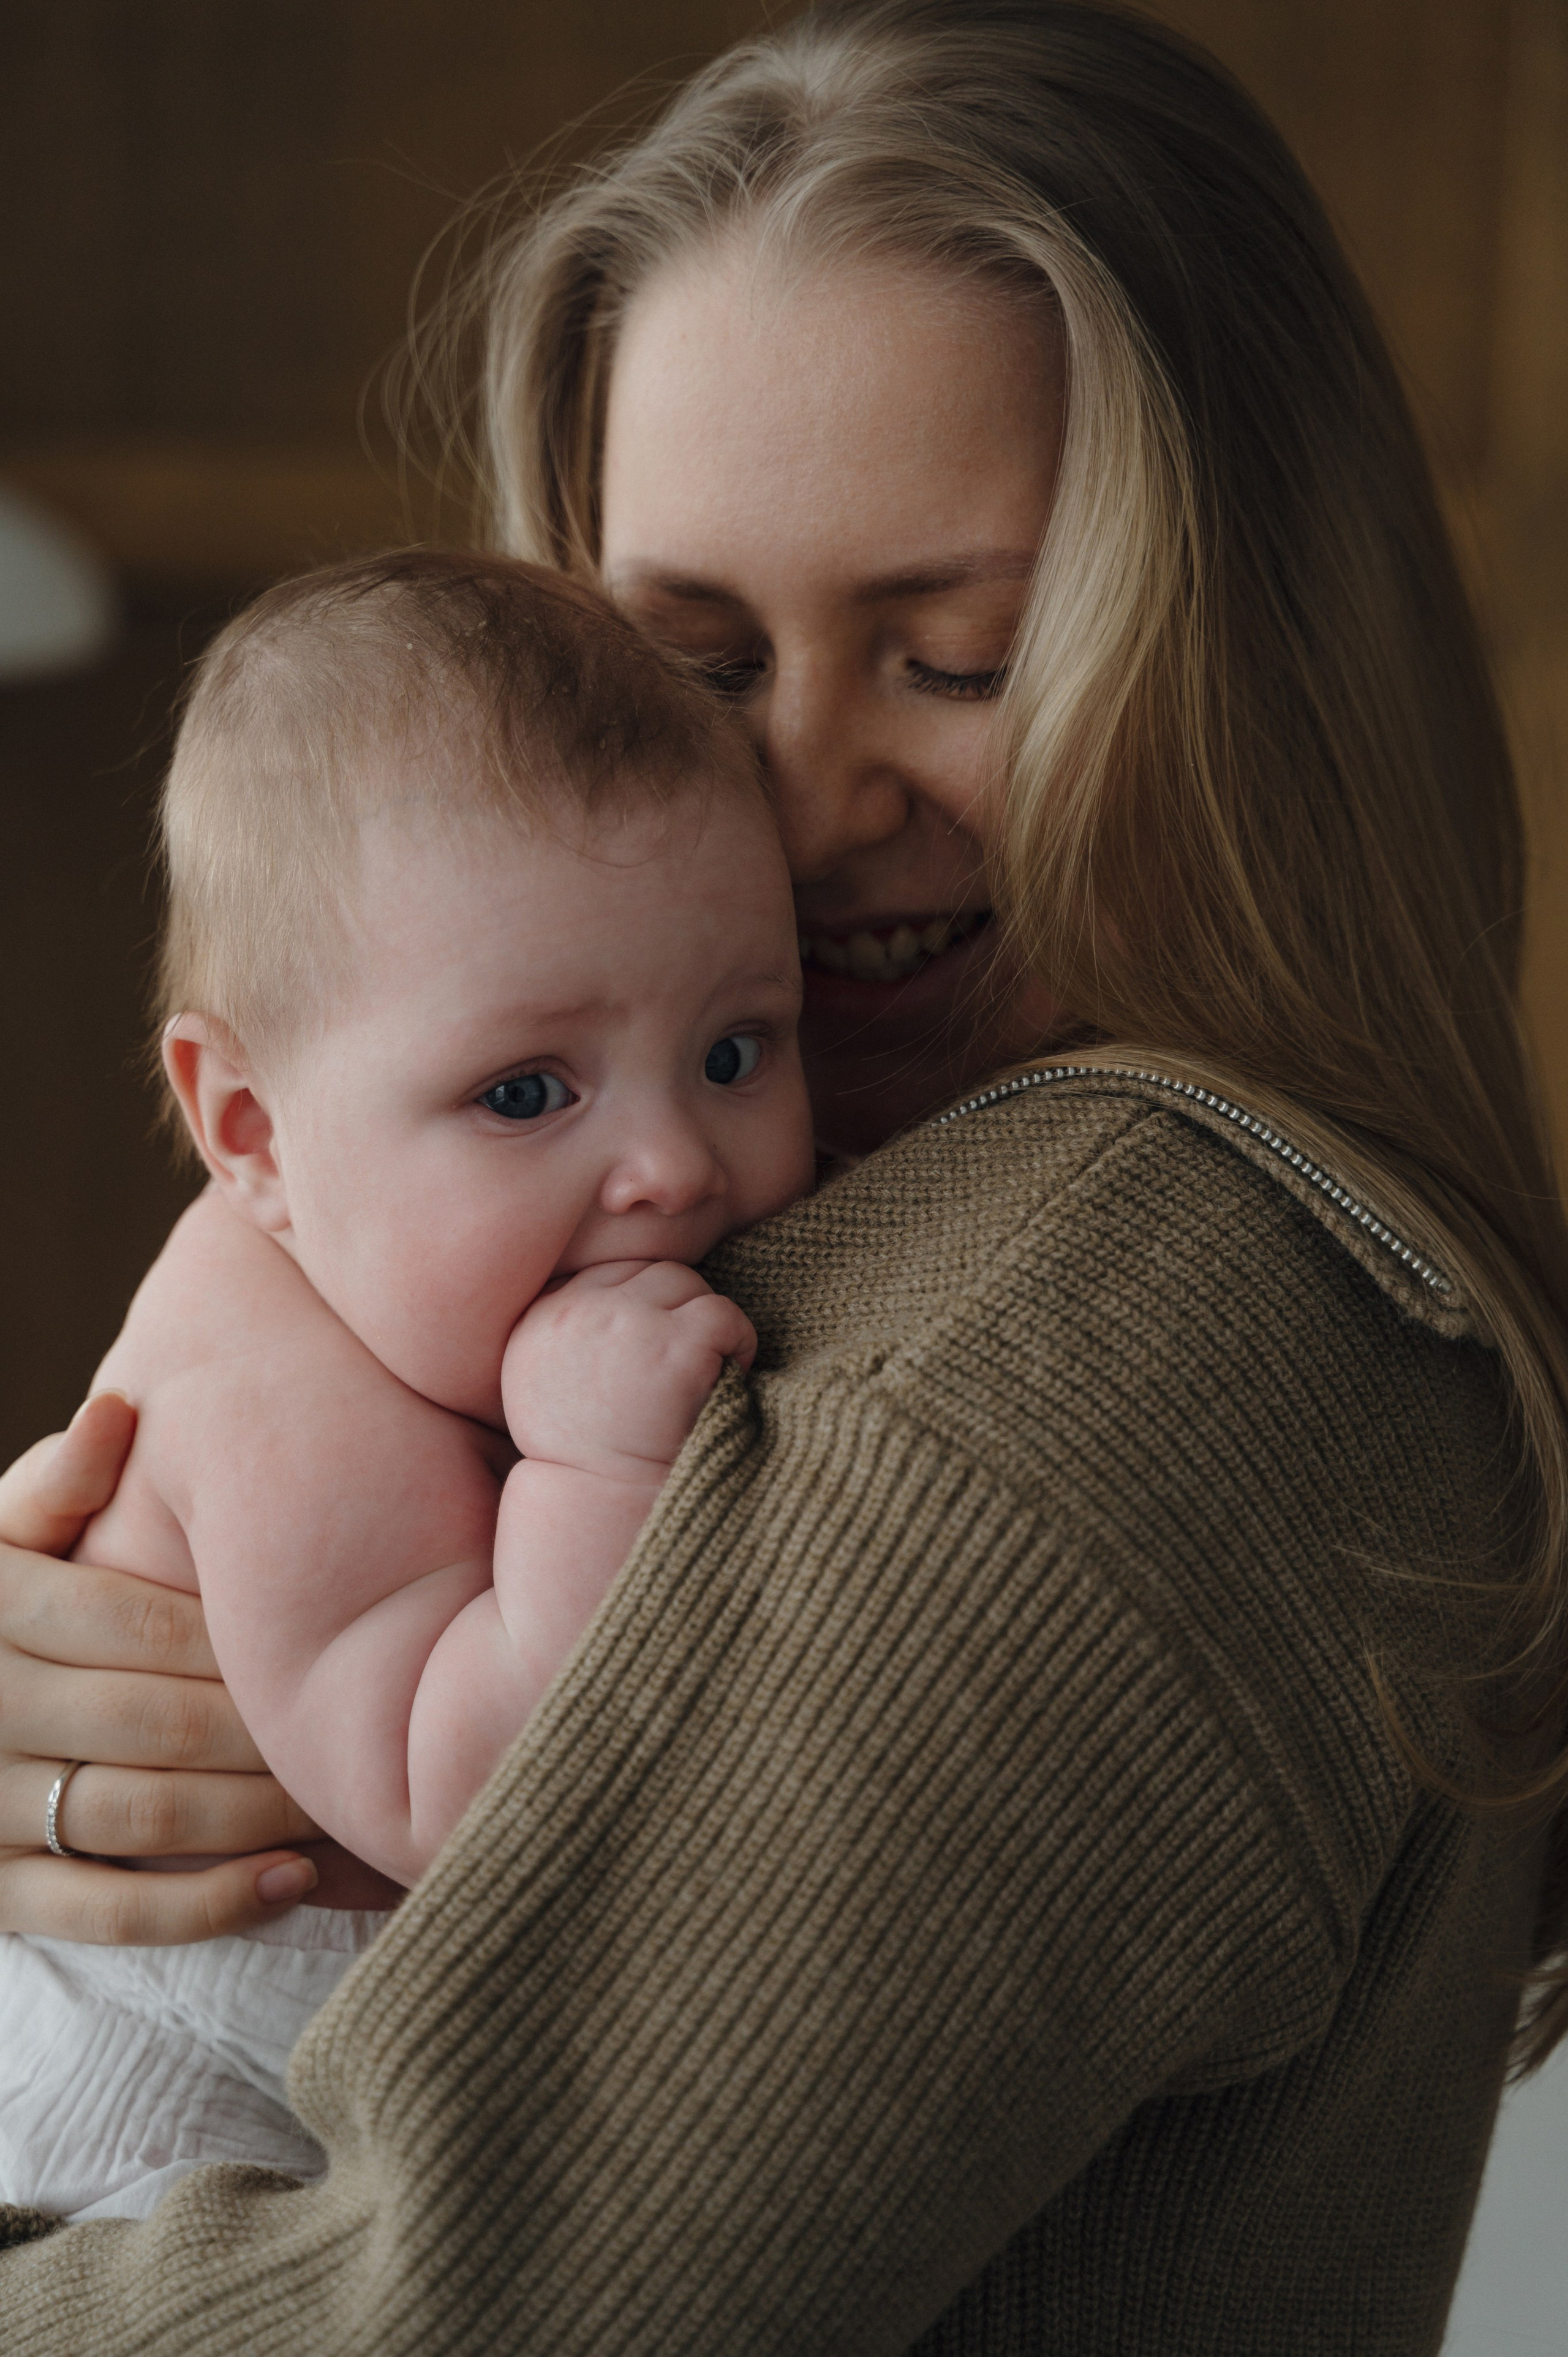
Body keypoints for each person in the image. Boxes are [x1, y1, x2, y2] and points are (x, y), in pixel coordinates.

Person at [2, 1, 1567, 2347]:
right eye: (697, 663)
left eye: (958, 661)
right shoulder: (764, 1215)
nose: (802, 807)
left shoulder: (1134, 1303)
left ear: (1243, 662)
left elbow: (454, 2309)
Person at [0, 550, 815, 2222]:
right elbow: (479, 1805)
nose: (674, 1162)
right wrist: (598, 1472)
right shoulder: (274, 1382)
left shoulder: (441, 1275)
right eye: (528, 1091)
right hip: (142, 2110)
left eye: (738, 1050)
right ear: (253, 1135)